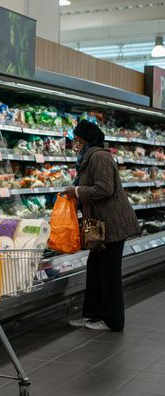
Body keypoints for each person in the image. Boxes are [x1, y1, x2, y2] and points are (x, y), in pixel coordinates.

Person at [65, 119, 140, 332]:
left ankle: (112, 320)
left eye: (77, 139)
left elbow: (104, 189)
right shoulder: (87, 158)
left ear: (86, 140)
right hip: (96, 223)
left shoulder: (100, 157)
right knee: (95, 270)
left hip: (111, 223)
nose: (75, 143)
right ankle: (91, 315)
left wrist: (77, 192)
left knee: (109, 274)